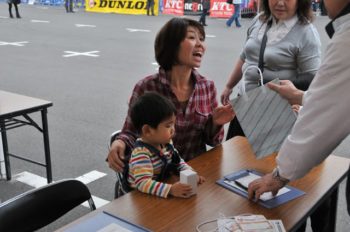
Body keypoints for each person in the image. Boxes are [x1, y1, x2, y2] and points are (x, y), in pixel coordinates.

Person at [247, 0, 350, 227]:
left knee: (296, 205)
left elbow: (326, 106)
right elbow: (337, 95)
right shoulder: (258, 23)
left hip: (290, 123)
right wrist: (302, 97)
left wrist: (280, 175)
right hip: (257, 114)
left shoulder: (316, 33)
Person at [107, 18, 234, 196]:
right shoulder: (146, 87)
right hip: (154, 180)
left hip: (190, 174)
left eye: (202, 39)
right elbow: (131, 132)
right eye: (192, 38)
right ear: (172, 45)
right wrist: (119, 142)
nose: (201, 45)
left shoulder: (207, 87)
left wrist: (216, 123)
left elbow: (213, 141)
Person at [221, 0, 321, 139]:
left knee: (266, 159)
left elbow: (312, 77)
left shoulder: (306, 32)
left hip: (274, 111)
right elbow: (245, 56)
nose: (280, 3)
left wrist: (288, 90)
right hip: (245, 103)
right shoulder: (259, 20)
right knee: (237, 154)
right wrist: (229, 86)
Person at [127, 92, 205, 198]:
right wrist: (171, 189)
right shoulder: (141, 154)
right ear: (147, 130)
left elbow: (178, 161)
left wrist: (190, 173)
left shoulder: (166, 144)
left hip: (158, 191)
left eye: (173, 124)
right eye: (168, 126)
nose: (173, 129)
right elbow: (143, 183)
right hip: (141, 198)